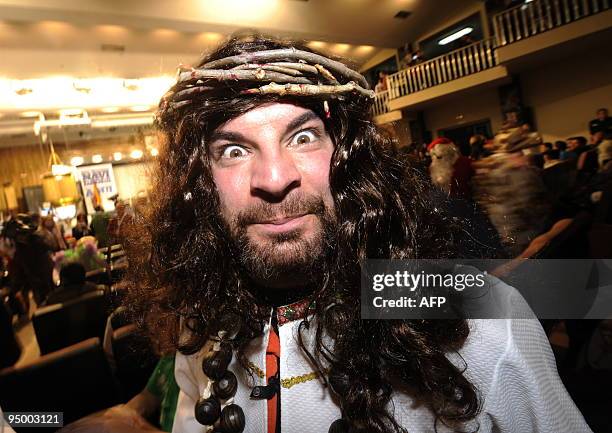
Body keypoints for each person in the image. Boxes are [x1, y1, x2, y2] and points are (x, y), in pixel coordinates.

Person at [123, 34, 591, 433]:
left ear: (349, 157)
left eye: (302, 137)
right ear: (201, 183)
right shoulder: (200, 326)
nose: (273, 177)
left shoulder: (473, 310)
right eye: (233, 150)